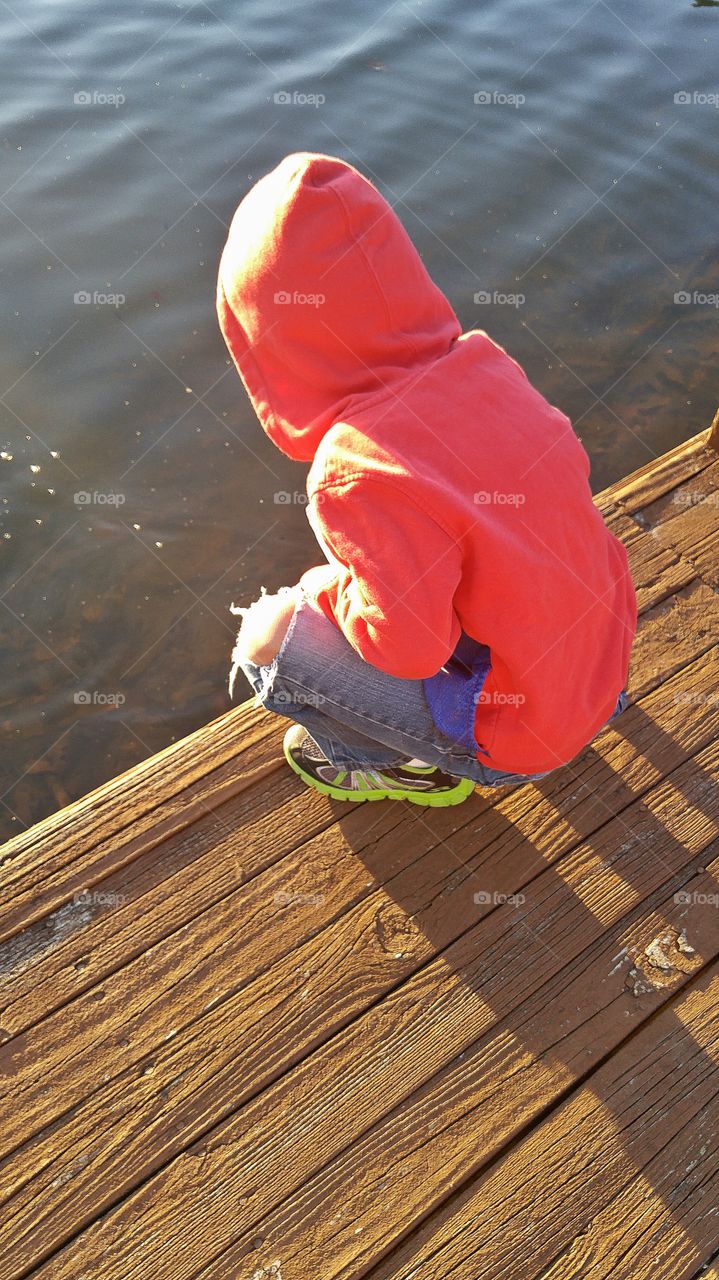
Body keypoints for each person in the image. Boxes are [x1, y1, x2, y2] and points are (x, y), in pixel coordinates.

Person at [216, 151, 636, 807]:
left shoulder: (356, 468)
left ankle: (388, 763)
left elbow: (405, 650)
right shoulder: (488, 368)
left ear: (265, 341)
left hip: (525, 735)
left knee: (268, 639)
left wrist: (324, 589)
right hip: (600, 674)